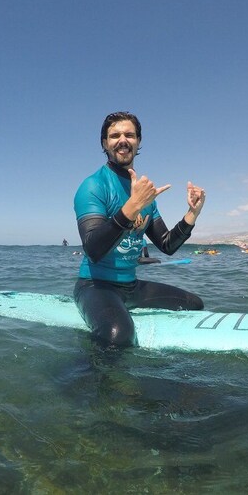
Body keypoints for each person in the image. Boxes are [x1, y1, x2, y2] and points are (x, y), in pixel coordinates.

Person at [73, 111, 206, 347]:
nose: (122, 140)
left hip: (132, 286)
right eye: (115, 135)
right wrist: (132, 206)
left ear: (138, 141)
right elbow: (93, 249)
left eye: (129, 135)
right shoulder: (93, 186)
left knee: (195, 304)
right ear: (105, 143)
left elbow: (166, 244)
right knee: (118, 335)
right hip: (96, 285)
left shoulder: (145, 195)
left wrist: (192, 214)